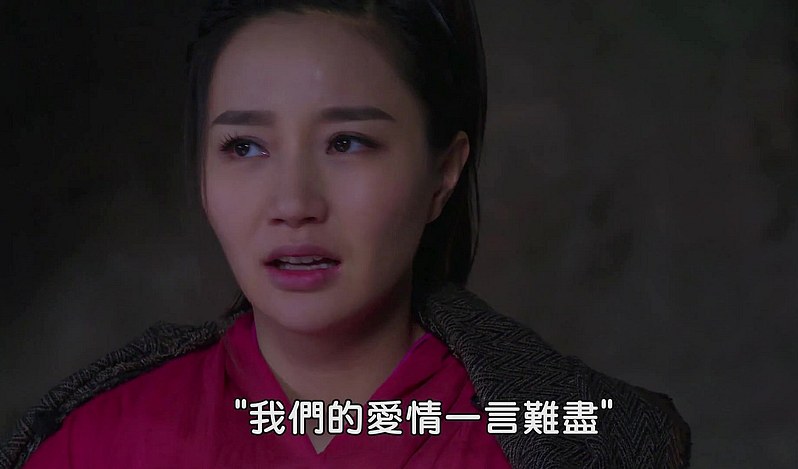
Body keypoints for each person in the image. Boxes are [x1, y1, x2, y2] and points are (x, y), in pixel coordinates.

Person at [1, 0, 690, 467]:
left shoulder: (563, 437)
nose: (293, 203)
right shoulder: (99, 439)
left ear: (442, 175)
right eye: (245, 147)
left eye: (348, 142)